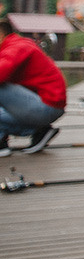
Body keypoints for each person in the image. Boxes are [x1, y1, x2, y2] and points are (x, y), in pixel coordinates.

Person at [0, 17, 67, 156]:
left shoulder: (17, 46)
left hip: (47, 106)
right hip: (44, 105)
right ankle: (38, 132)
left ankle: (36, 131)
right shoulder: (15, 45)